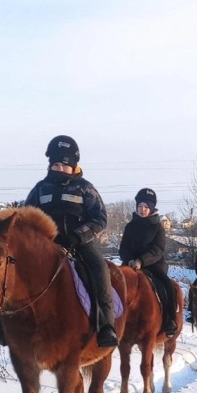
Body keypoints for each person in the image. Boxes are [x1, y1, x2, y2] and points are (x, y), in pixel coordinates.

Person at [25, 135, 117, 348]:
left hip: (80, 243)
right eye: (55, 164)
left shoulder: (85, 188)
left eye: (64, 165)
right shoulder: (40, 188)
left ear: (73, 166)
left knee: (100, 269)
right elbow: (26, 215)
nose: (59, 168)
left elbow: (100, 218)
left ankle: (106, 325)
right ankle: (5, 324)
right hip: (46, 246)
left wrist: (77, 236)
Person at [119, 187, 176, 336]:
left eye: (146, 207)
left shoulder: (157, 227)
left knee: (167, 287)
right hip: (130, 265)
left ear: (151, 208)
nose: (142, 210)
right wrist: (130, 259)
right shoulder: (130, 226)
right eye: (140, 206)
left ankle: (170, 320)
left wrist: (141, 261)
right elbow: (123, 247)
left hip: (153, 265)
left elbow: (158, 250)